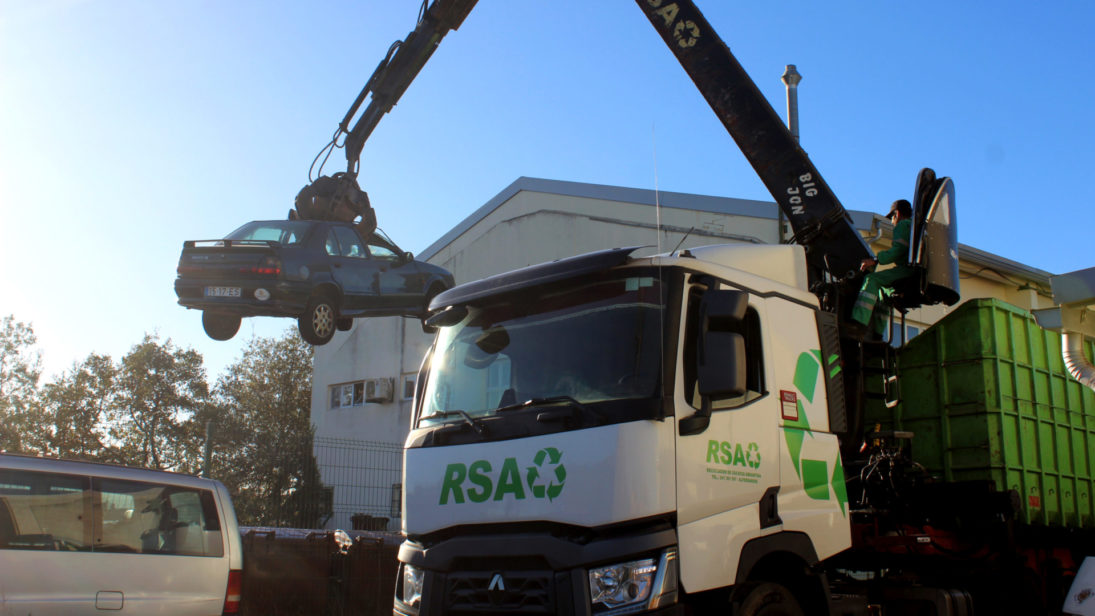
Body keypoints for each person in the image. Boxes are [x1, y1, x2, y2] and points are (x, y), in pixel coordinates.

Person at [851, 199, 913, 338]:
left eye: (892, 218)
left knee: (871, 279)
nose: (892, 222)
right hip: (911, 271)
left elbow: (898, 250)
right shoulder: (914, 227)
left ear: (896, 214)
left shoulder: (903, 225)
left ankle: (859, 322)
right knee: (882, 293)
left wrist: (875, 260)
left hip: (906, 270)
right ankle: (878, 333)